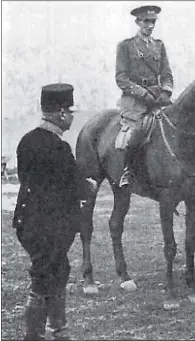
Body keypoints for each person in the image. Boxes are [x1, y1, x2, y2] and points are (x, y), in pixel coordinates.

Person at [13, 83, 88, 340]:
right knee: (45, 277)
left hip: (28, 223)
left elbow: (29, 181)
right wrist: (86, 185)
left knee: (57, 270)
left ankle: (59, 331)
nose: (72, 117)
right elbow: (74, 188)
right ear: (60, 114)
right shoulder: (60, 148)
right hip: (49, 227)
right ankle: (36, 335)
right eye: (70, 111)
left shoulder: (27, 141)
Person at [115, 5, 173, 188]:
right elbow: (121, 78)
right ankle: (129, 171)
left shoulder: (159, 45)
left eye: (153, 21)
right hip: (135, 101)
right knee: (136, 132)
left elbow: (167, 74)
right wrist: (143, 93)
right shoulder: (126, 46)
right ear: (138, 22)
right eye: (146, 21)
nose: (150, 25)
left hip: (157, 99)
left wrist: (165, 91)